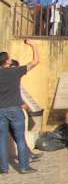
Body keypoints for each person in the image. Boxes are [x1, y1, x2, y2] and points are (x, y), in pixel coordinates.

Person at [0, 39, 39, 174]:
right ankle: (23, 166)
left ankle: (4, 168)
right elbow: (35, 61)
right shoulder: (15, 72)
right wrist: (33, 45)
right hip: (15, 109)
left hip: (1, 110)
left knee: (2, 139)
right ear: (7, 62)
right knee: (20, 139)